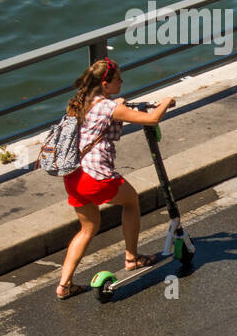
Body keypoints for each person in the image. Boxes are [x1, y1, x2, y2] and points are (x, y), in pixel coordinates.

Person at [56, 58, 175, 299]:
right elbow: (151, 119)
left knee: (87, 229)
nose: (122, 80)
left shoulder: (79, 102)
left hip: (73, 176)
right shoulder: (109, 108)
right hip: (96, 176)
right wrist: (165, 103)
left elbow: (101, 117)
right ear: (105, 83)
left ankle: (64, 285)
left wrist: (116, 104)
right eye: (118, 78)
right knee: (131, 202)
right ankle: (132, 257)